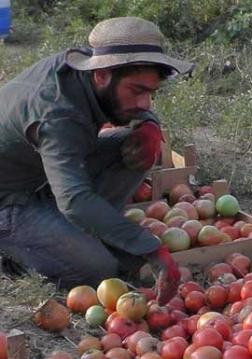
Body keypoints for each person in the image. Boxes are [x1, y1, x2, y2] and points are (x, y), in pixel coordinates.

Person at [0, 17, 195, 303]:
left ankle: (86, 230)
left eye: (150, 93)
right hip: (7, 201)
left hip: (37, 175)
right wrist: (150, 248)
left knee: (133, 147)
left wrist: (149, 125)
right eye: (137, 91)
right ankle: (16, 254)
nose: (145, 104)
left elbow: (136, 111)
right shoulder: (58, 113)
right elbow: (74, 200)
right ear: (102, 75)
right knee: (99, 269)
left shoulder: (90, 70)